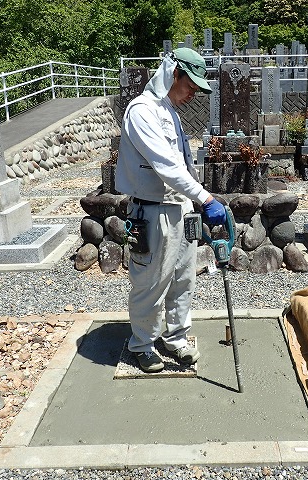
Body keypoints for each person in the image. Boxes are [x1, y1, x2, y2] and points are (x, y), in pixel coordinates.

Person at [115, 48, 226, 373]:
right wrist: (206, 198)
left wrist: (196, 201)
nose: (193, 92)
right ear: (172, 73)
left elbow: (183, 167)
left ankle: (176, 338)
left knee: (182, 279)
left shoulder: (169, 111)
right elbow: (166, 167)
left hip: (181, 209)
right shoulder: (142, 111)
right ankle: (143, 345)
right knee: (151, 282)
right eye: (190, 84)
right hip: (152, 213)